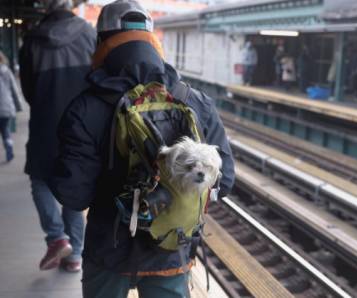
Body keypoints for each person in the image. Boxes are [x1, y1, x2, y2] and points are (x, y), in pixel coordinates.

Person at [49, 1, 235, 297]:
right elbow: (223, 183)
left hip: (107, 252)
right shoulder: (194, 100)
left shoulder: (85, 108)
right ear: (153, 41)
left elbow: (73, 195)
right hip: (171, 251)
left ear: (101, 43)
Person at [19, 0, 96, 272]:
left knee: (39, 178)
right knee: (73, 185)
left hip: (43, 122)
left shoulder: (31, 40)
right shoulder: (89, 33)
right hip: (81, 125)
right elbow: (98, 78)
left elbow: (27, 89)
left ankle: (56, 237)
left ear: (46, 9)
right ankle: (75, 254)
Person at [0, 51, 22, 162]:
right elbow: (14, 90)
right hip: (6, 108)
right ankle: (9, 147)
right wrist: (18, 106)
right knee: (5, 131)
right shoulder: (7, 71)